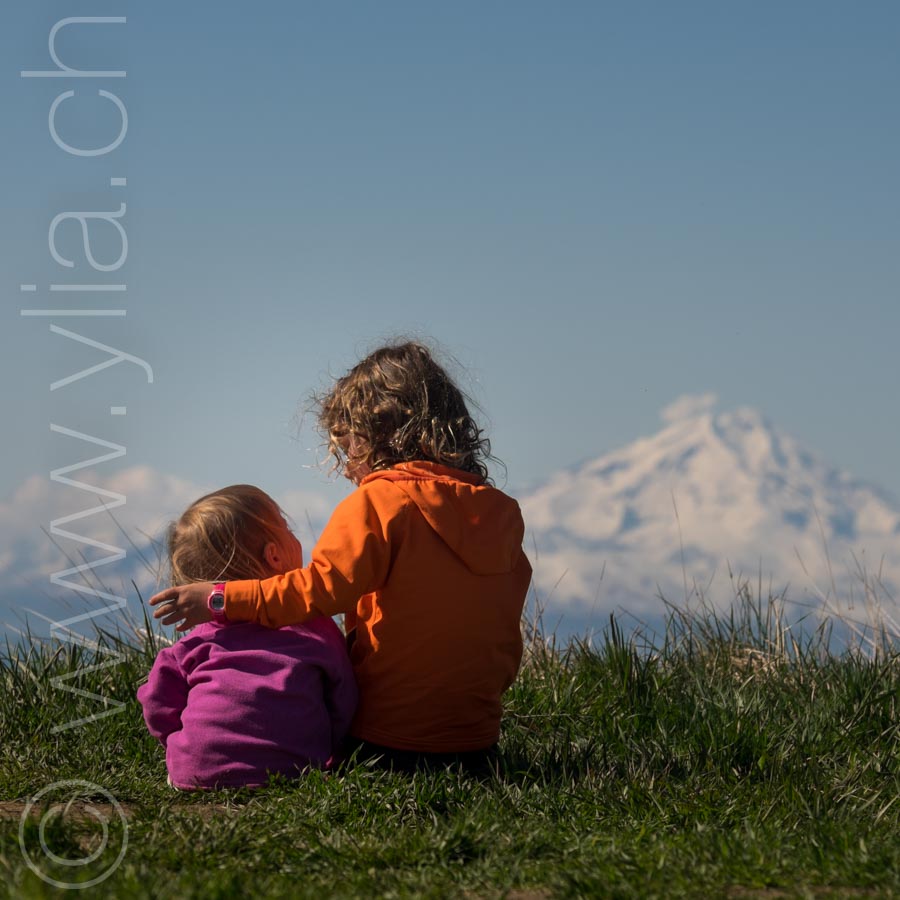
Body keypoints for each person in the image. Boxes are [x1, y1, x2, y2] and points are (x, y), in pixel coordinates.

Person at [150, 341, 532, 771]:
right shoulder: (501, 513)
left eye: (348, 446)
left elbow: (315, 591)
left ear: (375, 436)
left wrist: (220, 598)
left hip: (388, 744)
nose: (348, 467)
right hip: (478, 743)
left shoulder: (380, 503)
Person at [138, 485, 357, 790]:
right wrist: (335, 747)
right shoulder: (313, 627)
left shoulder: (196, 641)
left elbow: (156, 701)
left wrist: (180, 744)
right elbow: (344, 698)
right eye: (287, 528)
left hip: (196, 772)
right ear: (274, 556)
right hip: (296, 770)